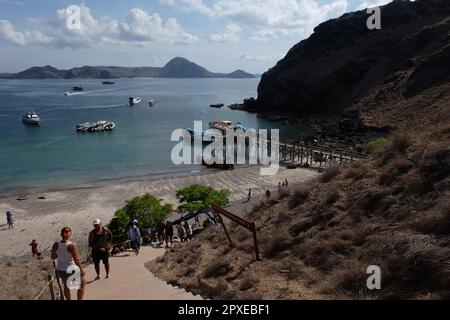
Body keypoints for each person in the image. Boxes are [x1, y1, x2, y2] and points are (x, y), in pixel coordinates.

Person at [51, 227, 86, 300]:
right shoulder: (72, 245)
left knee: (66, 286)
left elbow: (53, 257)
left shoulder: (56, 244)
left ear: (61, 234)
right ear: (69, 234)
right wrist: (81, 269)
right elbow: (76, 259)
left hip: (60, 269)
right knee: (82, 283)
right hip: (71, 268)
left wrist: (60, 255)